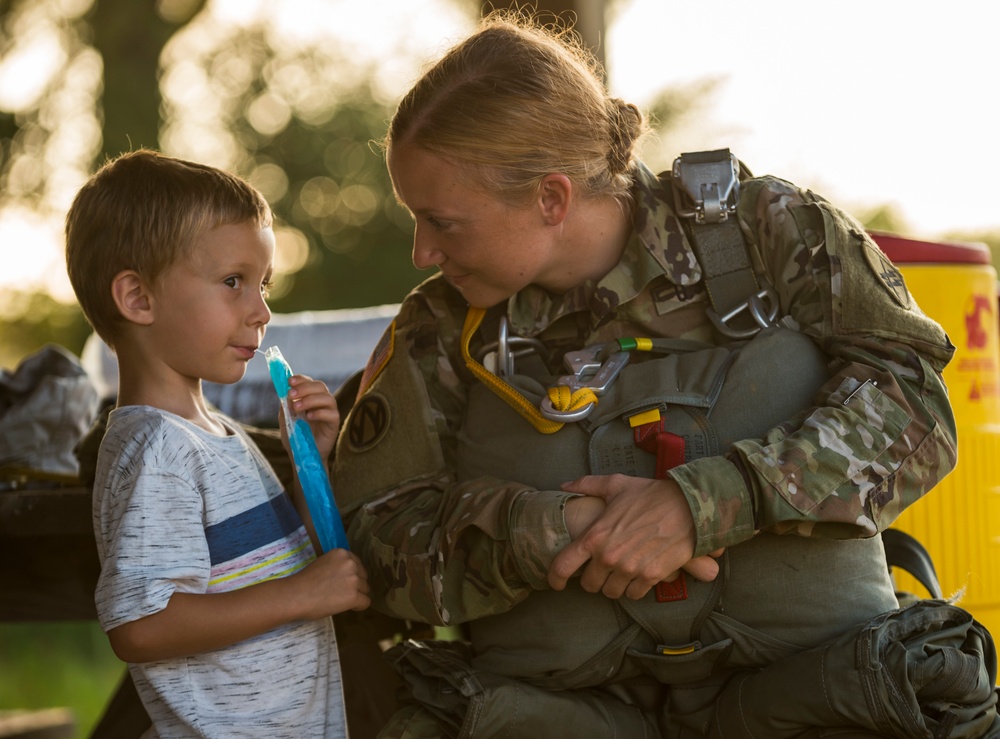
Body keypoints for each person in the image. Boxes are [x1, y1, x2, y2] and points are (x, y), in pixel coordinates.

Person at [329, 11, 1000, 739]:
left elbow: (915, 405)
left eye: (443, 221)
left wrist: (707, 504)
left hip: (814, 691)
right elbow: (372, 541)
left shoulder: (767, 232)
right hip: (561, 713)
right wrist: (548, 530)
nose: (423, 252)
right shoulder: (437, 331)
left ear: (551, 198)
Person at [64, 149, 370, 738]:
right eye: (233, 282)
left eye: (262, 285)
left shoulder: (217, 433)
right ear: (138, 299)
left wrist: (315, 460)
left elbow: (291, 562)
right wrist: (303, 596)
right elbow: (142, 626)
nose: (261, 312)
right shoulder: (157, 448)